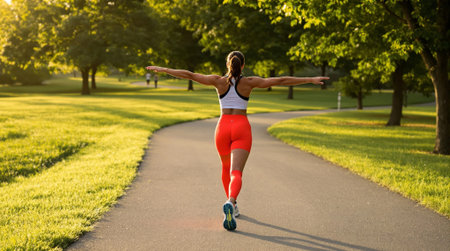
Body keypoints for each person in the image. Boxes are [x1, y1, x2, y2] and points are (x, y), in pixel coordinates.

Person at [146, 51, 328, 231]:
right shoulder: (249, 82)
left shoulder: (217, 81)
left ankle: (232, 203)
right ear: (242, 65)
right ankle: (231, 202)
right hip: (241, 127)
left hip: (223, 128)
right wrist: (310, 79)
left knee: (225, 169)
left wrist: (163, 69)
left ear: (228, 64)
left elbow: (190, 75)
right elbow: (280, 80)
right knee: (236, 172)